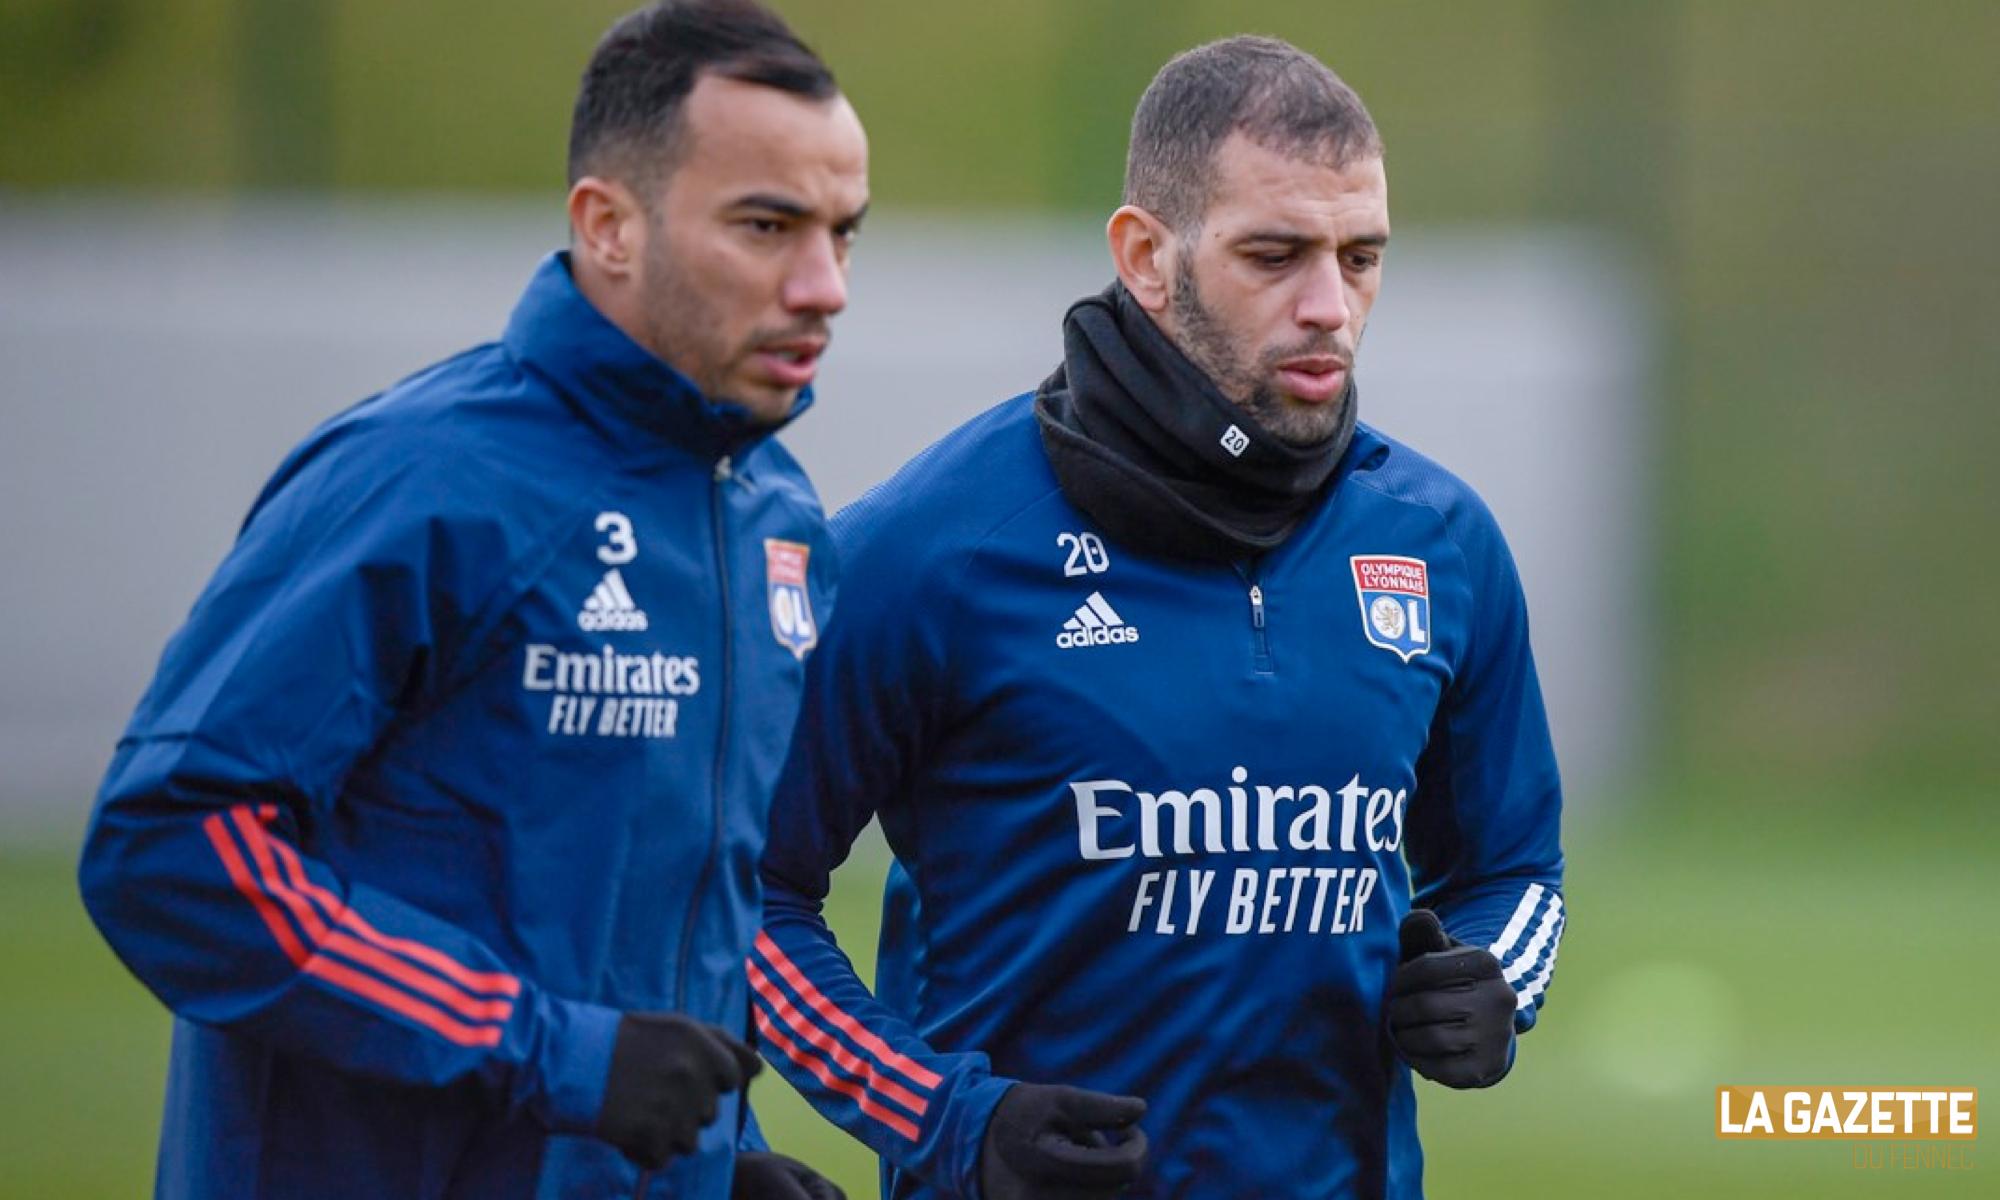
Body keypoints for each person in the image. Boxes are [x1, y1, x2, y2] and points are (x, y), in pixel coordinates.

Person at [747, 35, 1565, 1199]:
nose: (1328, 306)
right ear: (1144, 255)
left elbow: (1514, 863)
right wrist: (945, 1118)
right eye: (1273, 254)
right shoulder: (927, 546)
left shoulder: (1437, 540)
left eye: (1361, 255)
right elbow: (748, 897)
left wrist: (1491, 980)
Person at [76, 3, 862, 1197]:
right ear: (607, 225)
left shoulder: (775, 521)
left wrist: (714, 1155)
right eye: (766, 226)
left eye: (843, 234)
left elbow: (679, 917)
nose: (823, 286)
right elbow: (171, 849)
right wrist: (551, 1053)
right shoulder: (420, 481)